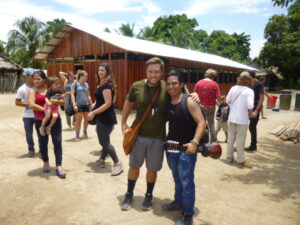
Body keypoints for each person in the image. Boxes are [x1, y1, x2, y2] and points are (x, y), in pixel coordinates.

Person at [163, 71, 206, 225]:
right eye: (168, 84)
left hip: (187, 148)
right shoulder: (167, 101)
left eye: (174, 83)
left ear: (181, 84)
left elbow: (202, 122)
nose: (171, 86)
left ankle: (187, 214)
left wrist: (194, 142)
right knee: (177, 177)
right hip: (172, 147)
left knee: (187, 181)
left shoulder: (189, 101)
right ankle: (178, 202)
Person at [28, 70, 66, 178]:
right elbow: (31, 104)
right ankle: (46, 162)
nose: (35, 80)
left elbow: (62, 102)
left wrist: (56, 102)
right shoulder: (33, 90)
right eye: (34, 79)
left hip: (55, 119)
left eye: (38, 78)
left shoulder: (53, 89)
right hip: (40, 120)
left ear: (44, 79)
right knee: (43, 142)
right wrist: (46, 109)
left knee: (57, 141)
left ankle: (59, 165)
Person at [88, 62, 123, 176]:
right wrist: (95, 104)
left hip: (105, 117)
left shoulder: (106, 86)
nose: (100, 72)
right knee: (105, 139)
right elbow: (102, 101)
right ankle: (102, 160)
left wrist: (94, 112)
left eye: (103, 70)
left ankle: (117, 163)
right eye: (99, 70)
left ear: (107, 72)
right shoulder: (102, 84)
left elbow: (108, 103)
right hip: (104, 116)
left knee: (104, 141)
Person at [226, 72, 254, 168]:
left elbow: (227, 100)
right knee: (240, 139)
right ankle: (241, 160)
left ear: (239, 79)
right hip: (242, 118)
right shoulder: (249, 91)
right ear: (249, 80)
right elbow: (250, 105)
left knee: (230, 138)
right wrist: (251, 111)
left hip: (232, 117)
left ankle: (229, 158)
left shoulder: (233, 88)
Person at [194, 69, 221, 143]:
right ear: (213, 76)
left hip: (200, 107)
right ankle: (213, 140)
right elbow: (218, 96)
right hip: (211, 107)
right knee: (211, 124)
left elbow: (194, 94)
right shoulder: (214, 84)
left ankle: (198, 139)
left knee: (200, 123)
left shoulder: (199, 83)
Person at [15, 68, 36, 157]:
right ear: (27, 76)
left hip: (39, 114)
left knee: (41, 133)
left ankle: (43, 150)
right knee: (29, 133)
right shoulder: (22, 89)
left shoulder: (38, 87)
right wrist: (29, 104)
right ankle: (31, 149)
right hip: (27, 115)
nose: (35, 78)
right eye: (32, 76)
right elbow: (17, 102)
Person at [71, 70, 93, 141]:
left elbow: (88, 95)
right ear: (81, 76)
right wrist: (74, 104)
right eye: (85, 76)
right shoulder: (75, 84)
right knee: (79, 120)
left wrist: (91, 103)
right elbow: (72, 94)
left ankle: (85, 131)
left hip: (86, 104)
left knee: (87, 119)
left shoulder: (86, 84)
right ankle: (77, 135)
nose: (87, 77)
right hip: (78, 104)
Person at [245, 71, 264, 151]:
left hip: (255, 107)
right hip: (248, 108)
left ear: (252, 77)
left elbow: (261, 98)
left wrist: (256, 110)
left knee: (252, 127)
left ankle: (253, 145)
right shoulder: (249, 84)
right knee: (244, 126)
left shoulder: (259, 84)